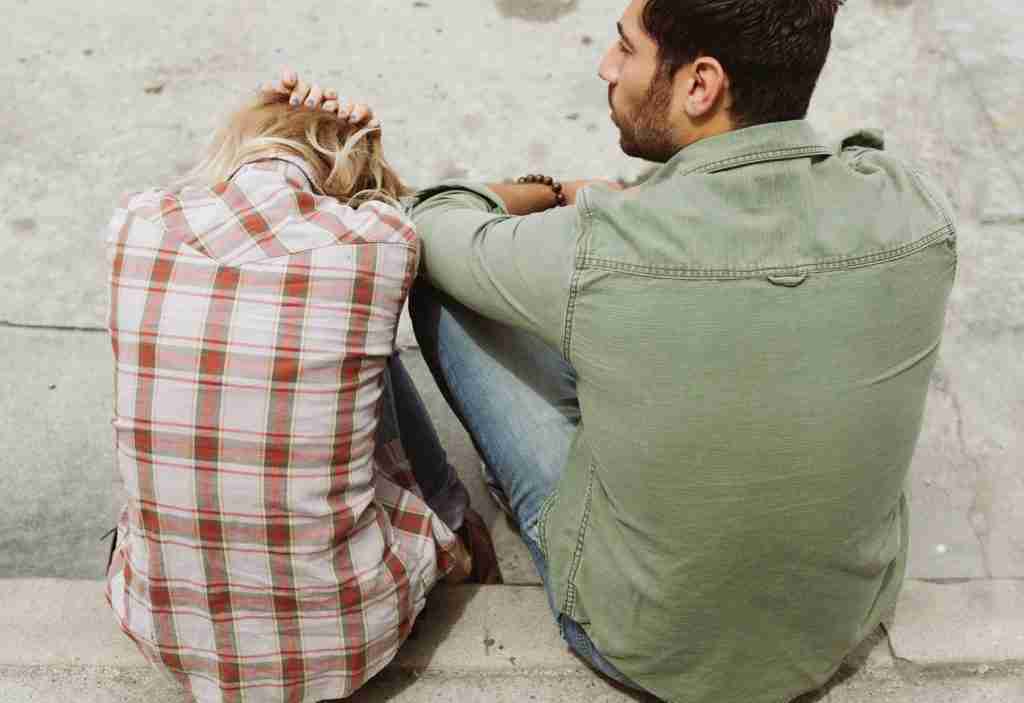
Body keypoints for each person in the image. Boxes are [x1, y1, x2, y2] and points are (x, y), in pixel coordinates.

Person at [280, 0, 959, 701]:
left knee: (449, 292)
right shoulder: (917, 210)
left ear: (701, 85)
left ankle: (465, 523)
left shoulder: (607, 241)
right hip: (837, 628)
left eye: (625, 49)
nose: (607, 67)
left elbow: (432, 220)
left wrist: (557, 192)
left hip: (637, 641)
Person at [104, 89, 501, 703]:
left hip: (164, 634)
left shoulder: (135, 224)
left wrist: (264, 109)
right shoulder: (381, 243)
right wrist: (364, 141)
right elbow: (393, 210)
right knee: (356, 354)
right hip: (345, 642)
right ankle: (457, 529)